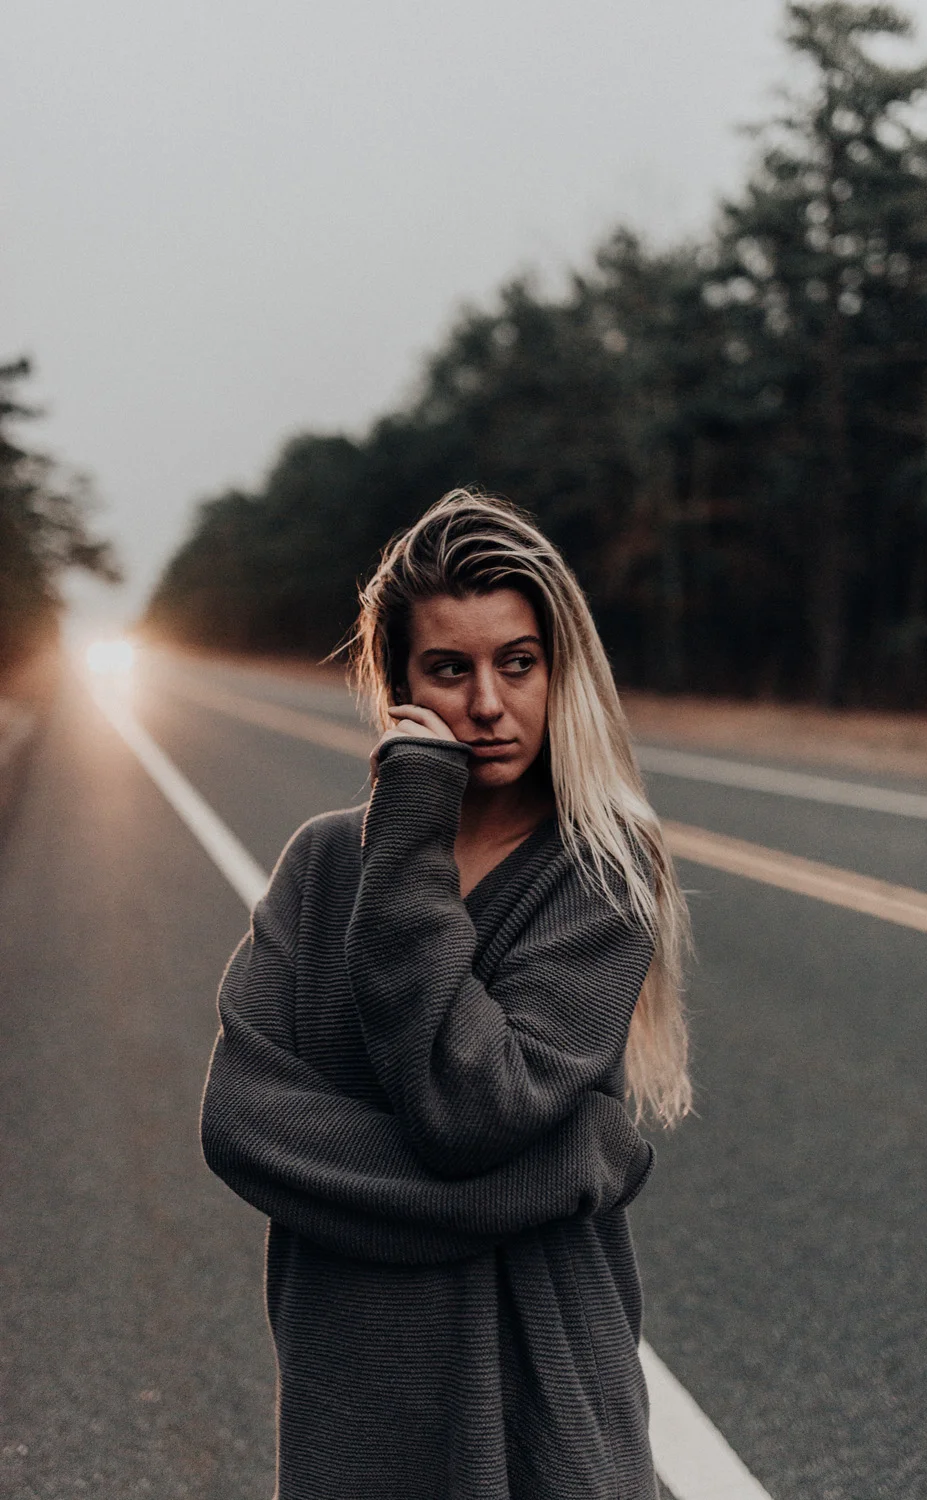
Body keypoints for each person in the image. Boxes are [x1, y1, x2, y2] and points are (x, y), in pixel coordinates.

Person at [200, 489, 692, 1499]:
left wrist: (412, 838)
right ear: (398, 685)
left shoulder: (598, 869)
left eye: (516, 663)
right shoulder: (327, 864)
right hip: (359, 1384)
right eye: (448, 669)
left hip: (540, 1375)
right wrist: (566, 1163)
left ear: (558, 670)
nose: (485, 704)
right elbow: (243, 1122)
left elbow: (471, 1108)